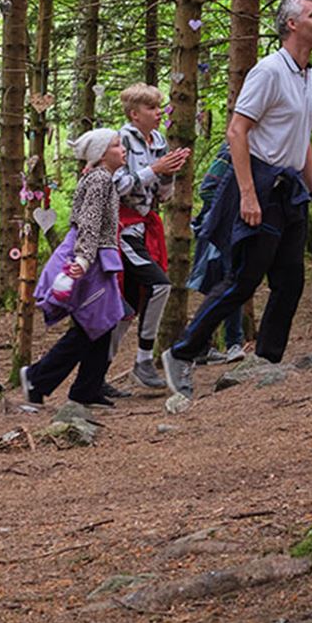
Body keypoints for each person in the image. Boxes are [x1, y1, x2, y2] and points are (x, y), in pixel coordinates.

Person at [160, 0, 312, 411]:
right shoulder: (269, 71)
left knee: (290, 282)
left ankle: (267, 363)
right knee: (243, 279)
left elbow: (302, 140)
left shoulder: (308, 77)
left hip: (291, 189)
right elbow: (237, 132)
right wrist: (248, 194)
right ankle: (182, 352)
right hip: (258, 185)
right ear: (292, 24)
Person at [19, 128, 130, 409]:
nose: (123, 149)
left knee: (104, 321)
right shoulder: (100, 180)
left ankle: (86, 389)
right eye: (117, 145)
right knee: (89, 323)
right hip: (88, 259)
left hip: (97, 257)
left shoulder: (103, 178)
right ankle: (36, 378)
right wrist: (82, 260)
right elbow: (89, 222)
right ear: (102, 155)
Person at [109, 84, 191, 394]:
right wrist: (153, 169)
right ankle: (143, 360)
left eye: (160, 107)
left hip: (144, 227)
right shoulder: (120, 142)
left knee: (129, 305)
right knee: (158, 285)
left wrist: (169, 173)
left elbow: (163, 195)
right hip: (121, 229)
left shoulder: (157, 140)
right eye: (152, 109)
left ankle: (97, 375)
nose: (160, 113)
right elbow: (118, 186)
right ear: (134, 114)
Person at [186, 142, 247, 364]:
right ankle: (228, 344)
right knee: (226, 284)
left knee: (227, 284)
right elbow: (208, 188)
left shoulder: (262, 147)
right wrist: (233, 209)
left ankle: (205, 345)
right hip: (218, 230)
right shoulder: (231, 149)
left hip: (235, 228)